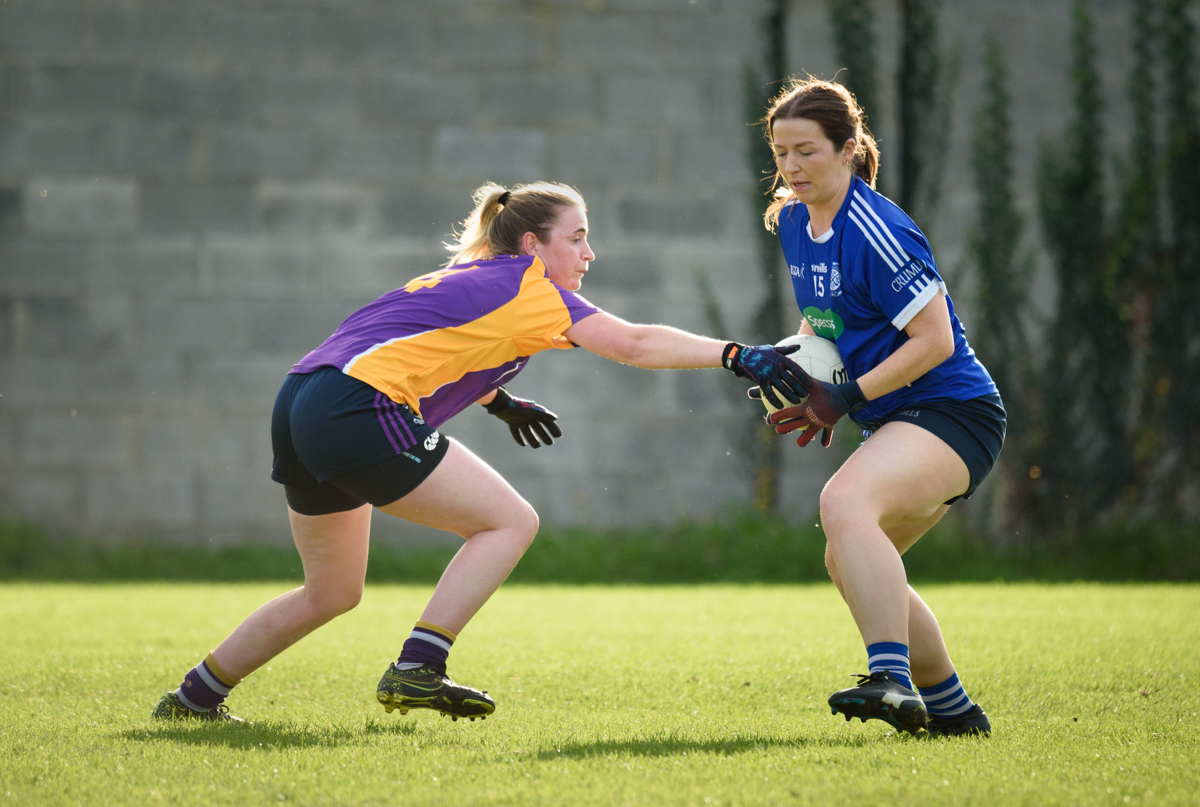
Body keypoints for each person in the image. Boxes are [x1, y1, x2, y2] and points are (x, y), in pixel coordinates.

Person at [151, 180, 806, 723]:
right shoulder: (529, 287)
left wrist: (499, 402)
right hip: (355, 406)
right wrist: (736, 355)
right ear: (531, 244)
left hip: (300, 401)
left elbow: (433, 348)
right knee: (509, 520)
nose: (589, 253)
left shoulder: (475, 276)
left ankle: (193, 697)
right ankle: (418, 665)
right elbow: (633, 343)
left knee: (331, 591)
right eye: (576, 238)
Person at [754, 79, 1005, 737]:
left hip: (955, 411)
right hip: (897, 417)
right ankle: (951, 709)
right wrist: (793, 366)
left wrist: (843, 397)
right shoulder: (791, 221)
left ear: (845, 149)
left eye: (805, 151)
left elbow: (935, 340)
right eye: (780, 152)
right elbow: (823, 323)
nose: (790, 167)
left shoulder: (877, 228)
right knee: (849, 560)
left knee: (842, 505)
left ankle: (889, 678)